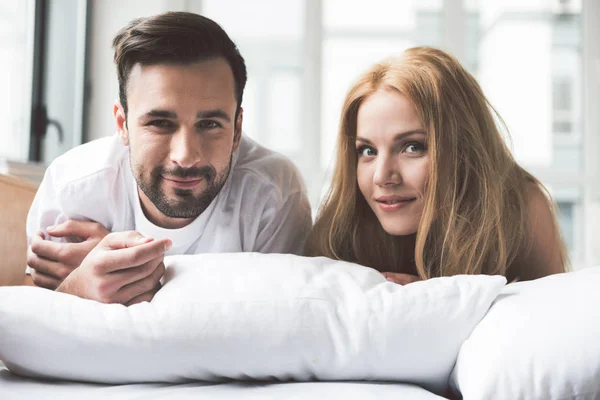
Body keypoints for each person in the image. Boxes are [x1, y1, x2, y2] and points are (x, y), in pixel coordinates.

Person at [25, 12, 312, 305]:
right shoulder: (72, 187)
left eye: (210, 124)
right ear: (123, 125)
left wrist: (133, 279)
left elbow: (273, 327)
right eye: (160, 124)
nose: (185, 156)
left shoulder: (273, 194)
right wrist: (76, 288)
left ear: (237, 129)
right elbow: (27, 329)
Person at [304, 46, 567, 284]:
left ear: (464, 148)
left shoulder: (521, 206)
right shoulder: (339, 233)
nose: (382, 177)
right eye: (368, 150)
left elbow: (554, 322)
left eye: (412, 147)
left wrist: (441, 302)